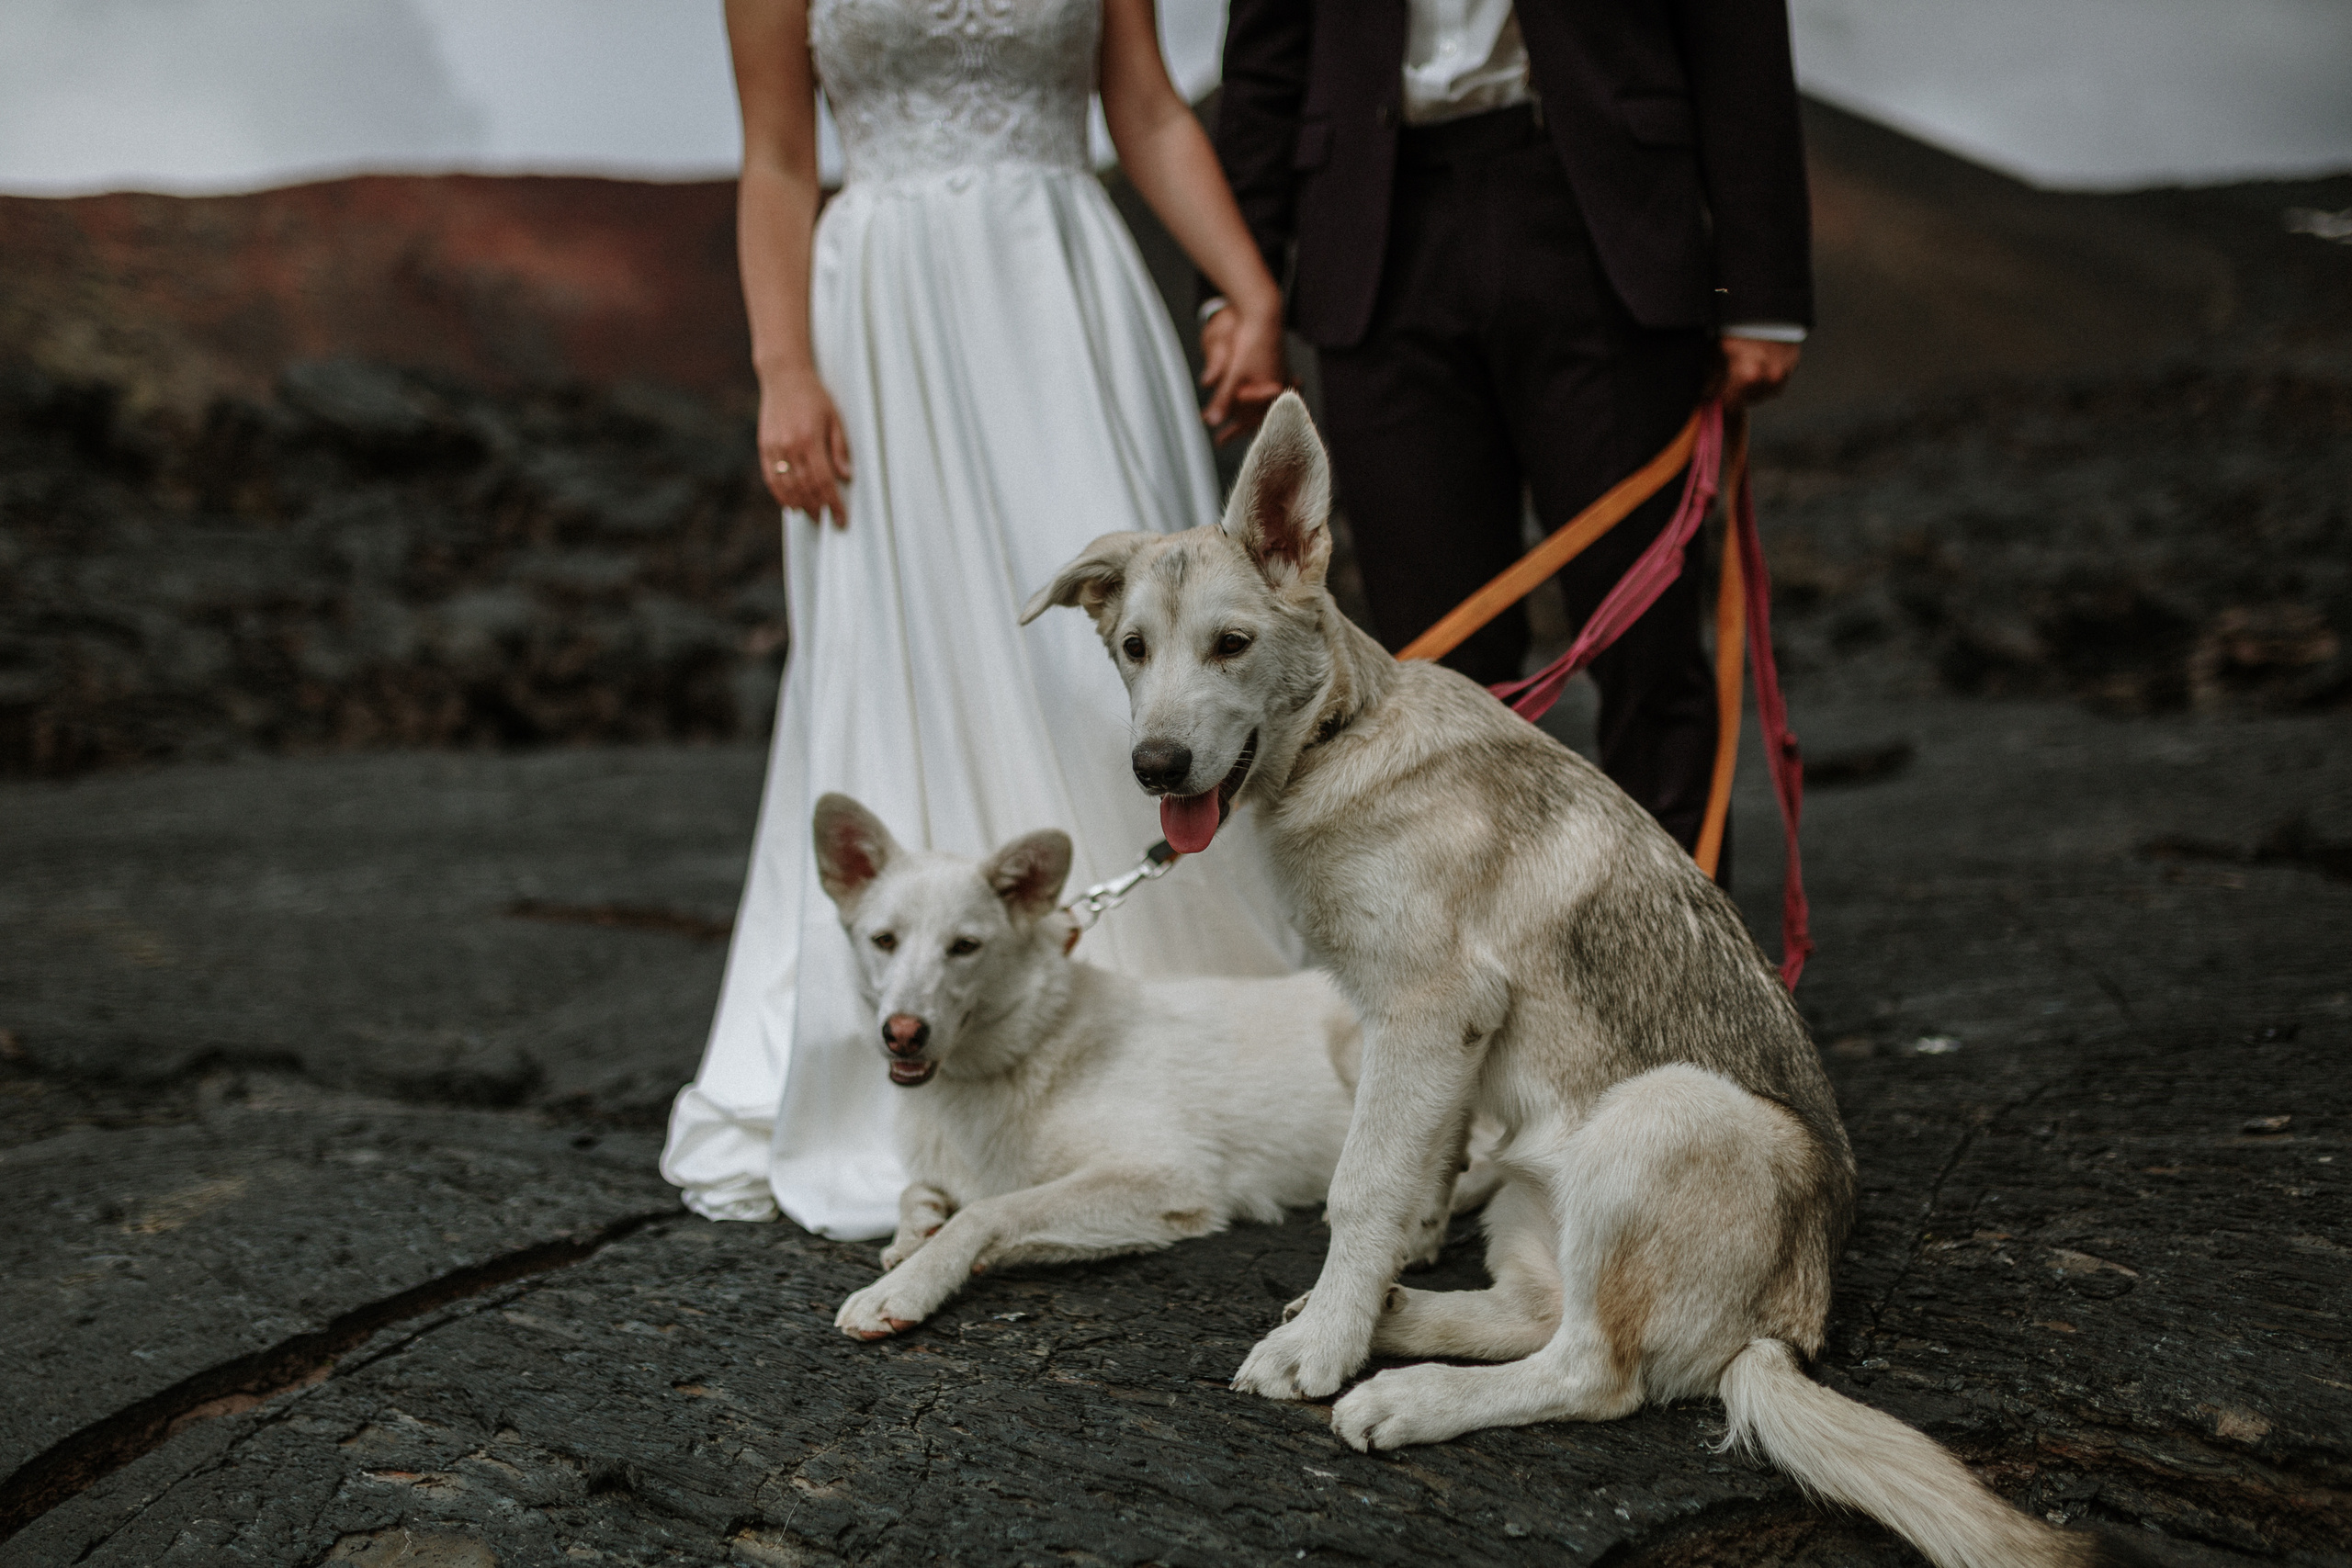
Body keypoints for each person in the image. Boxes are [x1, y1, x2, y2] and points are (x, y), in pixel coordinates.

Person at [662, 0, 1305, 1239]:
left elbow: (1152, 106)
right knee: (906, 650)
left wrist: (1247, 286)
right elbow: (781, 158)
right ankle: (949, 1013)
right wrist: (784, 368)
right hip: (884, 316)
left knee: (1112, 660)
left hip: (1063, 293)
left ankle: (1187, 1036)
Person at [1204, 0, 1812, 854]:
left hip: (1597, 215)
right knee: (1433, 663)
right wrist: (1237, 282)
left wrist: (1764, 290)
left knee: (1646, 645)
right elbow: (1267, 57)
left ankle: (1686, 974)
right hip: (1376, 241)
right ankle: (1483, 972)